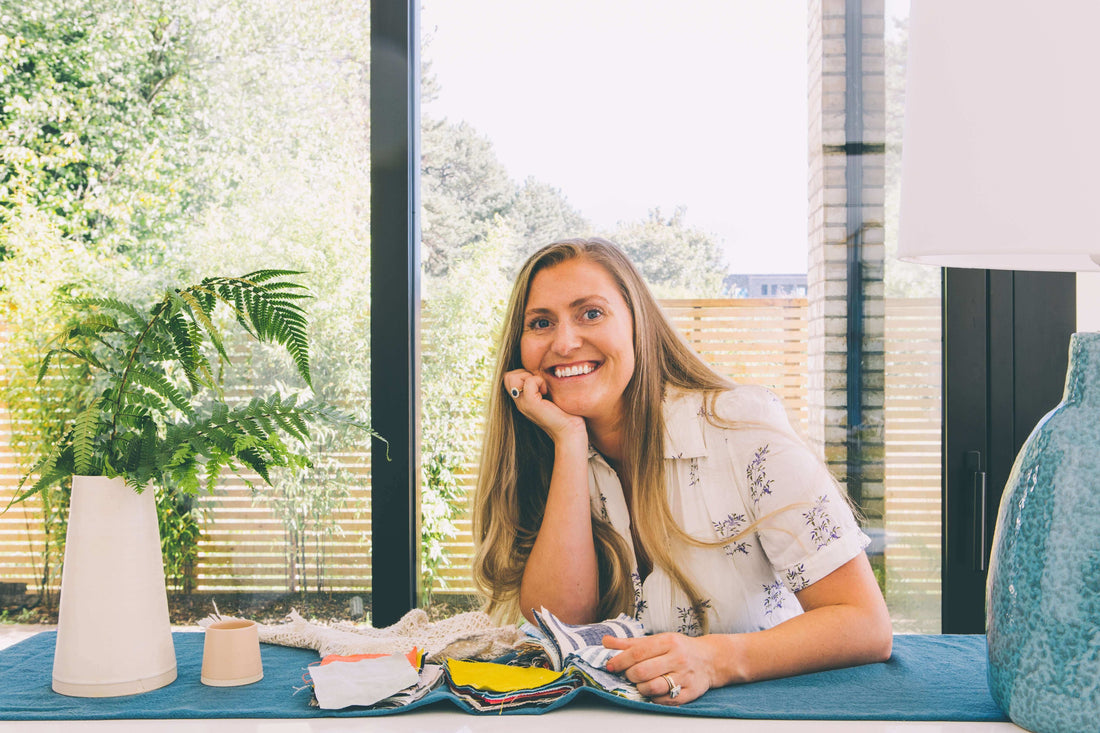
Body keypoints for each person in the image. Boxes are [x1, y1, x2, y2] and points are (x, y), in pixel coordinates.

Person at [472, 238, 892, 705]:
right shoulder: (545, 450)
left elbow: (865, 624)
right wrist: (569, 443)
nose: (565, 342)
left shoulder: (743, 428)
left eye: (591, 313)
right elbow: (560, 623)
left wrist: (716, 659)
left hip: (766, 717)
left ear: (638, 325)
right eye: (541, 323)